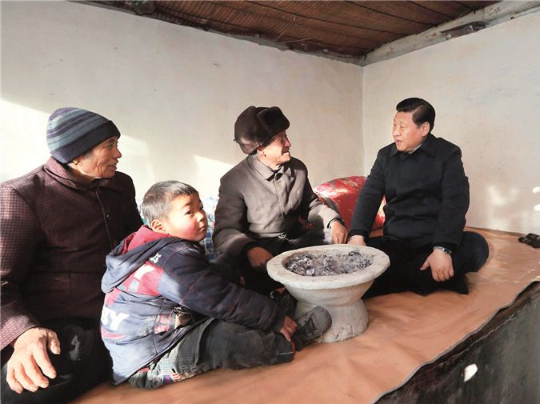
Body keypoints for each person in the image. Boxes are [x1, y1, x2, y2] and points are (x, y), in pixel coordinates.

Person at [100, 181, 331, 388]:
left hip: (163, 332)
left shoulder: (145, 245)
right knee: (223, 337)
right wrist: (272, 318)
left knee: (229, 273)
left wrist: (231, 277)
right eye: (189, 212)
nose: (201, 216)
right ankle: (288, 342)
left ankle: (277, 311)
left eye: (200, 208)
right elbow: (219, 299)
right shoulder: (171, 260)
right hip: (150, 359)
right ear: (160, 226)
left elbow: (202, 281)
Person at [0, 107, 144, 403]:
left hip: (124, 312)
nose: (118, 154)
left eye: (116, 144)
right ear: (77, 155)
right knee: (25, 389)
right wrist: (23, 333)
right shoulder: (21, 196)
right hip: (60, 327)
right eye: (109, 146)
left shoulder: (120, 185)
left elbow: (139, 245)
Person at [348, 98, 489, 297]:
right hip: (395, 243)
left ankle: (391, 279)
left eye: (402, 126)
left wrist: (442, 249)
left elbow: (455, 201)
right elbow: (369, 195)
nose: (395, 132)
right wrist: (357, 235)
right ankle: (434, 278)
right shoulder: (385, 156)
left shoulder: (447, 154)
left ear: (424, 128)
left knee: (477, 245)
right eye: (394, 125)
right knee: (352, 253)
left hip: (433, 241)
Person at [213, 106, 348, 295]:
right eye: (281, 139)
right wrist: (250, 249)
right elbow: (225, 231)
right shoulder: (234, 181)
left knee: (345, 246)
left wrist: (333, 222)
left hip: (295, 243)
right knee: (221, 272)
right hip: (260, 252)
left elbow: (310, 206)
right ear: (261, 148)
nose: (288, 143)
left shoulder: (297, 169)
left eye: (286, 136)